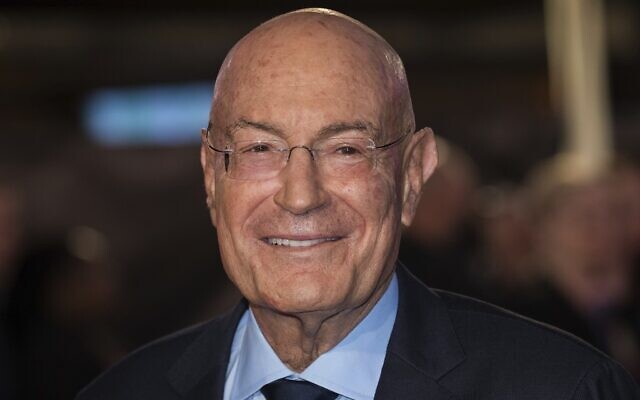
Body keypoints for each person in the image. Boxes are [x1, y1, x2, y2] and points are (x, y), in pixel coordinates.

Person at [77, 8, 639, 399]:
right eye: (259, 148)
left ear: (413, 176)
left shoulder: (561, 390)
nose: (300, 196)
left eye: (346, 148)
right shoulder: (123, 393)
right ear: (211, 176)